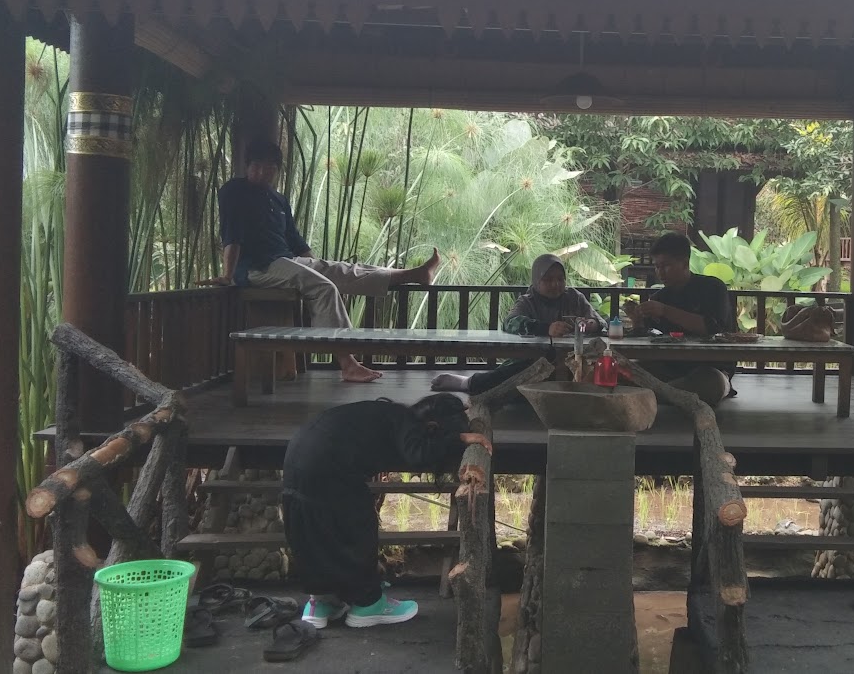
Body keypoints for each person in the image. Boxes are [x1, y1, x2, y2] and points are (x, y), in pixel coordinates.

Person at [213, 138, 439, 383]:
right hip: (257, 267)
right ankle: (348, 364)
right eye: (257, 166)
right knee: (324, 288)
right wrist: (227, 275)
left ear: (277, 170)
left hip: (286, 261)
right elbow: (232, 235)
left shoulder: (278, 200)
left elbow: (295, 240)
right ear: (247, 166)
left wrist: (317, 265)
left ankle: (416, 274)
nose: (262, 172)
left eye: (270, 167)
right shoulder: (234, 191)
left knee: (344, 270)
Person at [282, 394, 490, 629]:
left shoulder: (386, 416)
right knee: (357, 530)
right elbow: (418, 454)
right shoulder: (406, 421)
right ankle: (367, 605)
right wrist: (458, 439)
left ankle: (321, 602)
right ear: (433, 426)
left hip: (296, 462)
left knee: (318, 534)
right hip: (329, 470)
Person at [430, 253, 606, 394]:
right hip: (533, 360)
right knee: (523, 372)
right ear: (536, 280)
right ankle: (468, 383)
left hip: (574, 362)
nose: (556, 284)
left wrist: (592, 324)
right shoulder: (528, 301)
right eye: (548, 279)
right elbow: (510, 323)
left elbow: (601, 322)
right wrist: (546, 328)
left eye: (560, 279)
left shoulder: (574, 298)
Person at [622, 232, 735, 406]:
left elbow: (712, 327)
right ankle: (665, 394)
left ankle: (650, 395)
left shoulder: (713, 287)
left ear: (685, 263)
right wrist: (637, 321)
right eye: (657, 266)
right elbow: (646, 334)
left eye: (666, 266)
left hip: (711, 368)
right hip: (668, 367)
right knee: (624, 370)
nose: (660, 272)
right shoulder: (660, 297)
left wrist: (665, 311)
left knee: (712, 385)